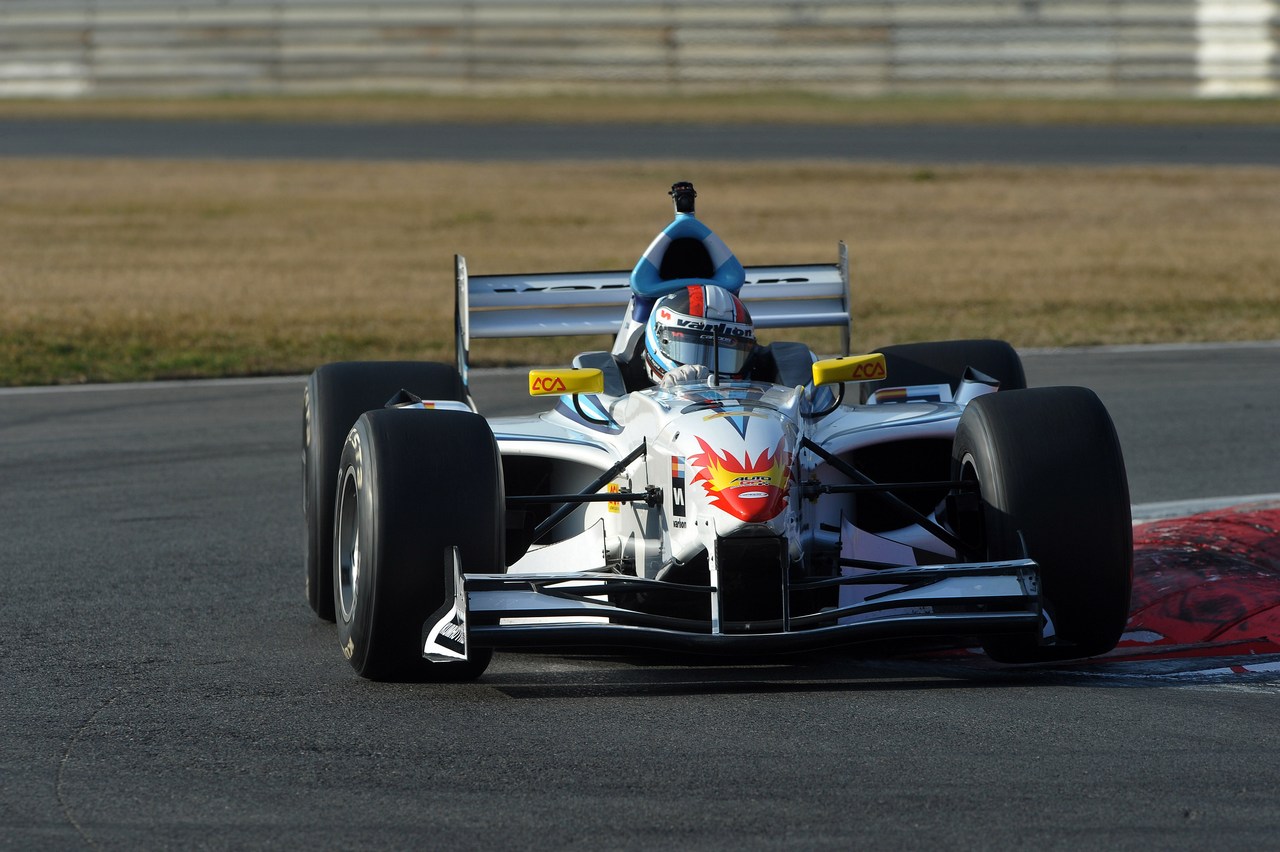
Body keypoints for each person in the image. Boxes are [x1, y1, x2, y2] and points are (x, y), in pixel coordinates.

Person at [642, 284, 757, 387]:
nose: (707, 375)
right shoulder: (628, 389)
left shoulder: (766, 372)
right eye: (689, 352)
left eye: (725, 357)